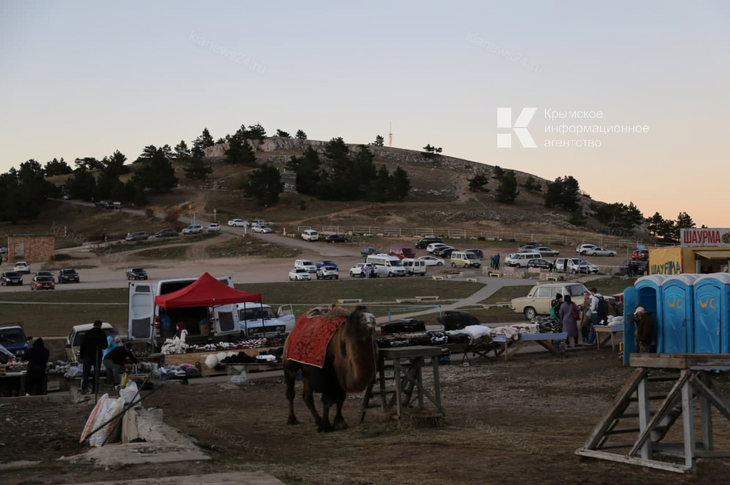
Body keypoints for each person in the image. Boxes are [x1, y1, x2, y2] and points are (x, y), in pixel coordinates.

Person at [80, 320, 108, 394]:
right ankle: (95, 389)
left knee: (86, 372)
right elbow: (105, 346)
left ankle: (84, 388)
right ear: (100, 325)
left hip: (87, 355)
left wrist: (81, 356)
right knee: (96, 373)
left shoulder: (88, 333)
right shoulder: (102, 334)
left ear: (94, 325)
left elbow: (82, 345)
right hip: (97, 356)